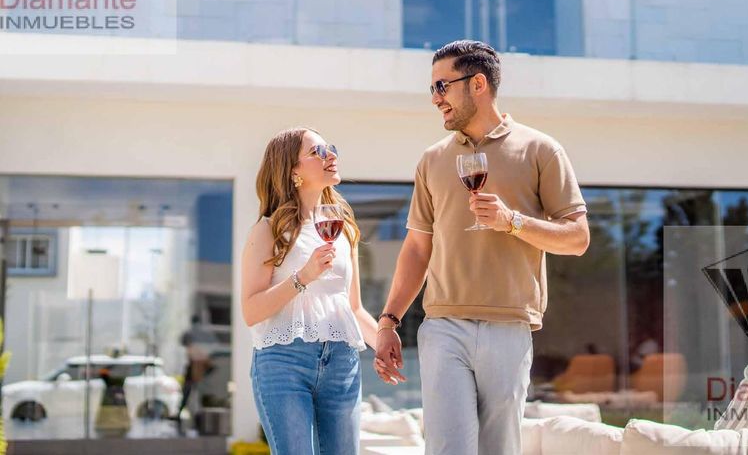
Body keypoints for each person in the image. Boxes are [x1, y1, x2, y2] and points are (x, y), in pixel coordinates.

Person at [374, 40, 590, 455]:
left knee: (498, 448)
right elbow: (417, 247)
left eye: (442, 86)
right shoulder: (432, 160)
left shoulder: (541, 150)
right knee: (447, 448)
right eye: (432, 88)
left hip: (509, 325)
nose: (435, 98)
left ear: (477, 84)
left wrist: (513, 222)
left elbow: (578, 238)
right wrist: (389, 321)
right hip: (444, 325)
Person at [242, 128, 378, 455]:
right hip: (284, 363)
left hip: (342, 362)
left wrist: (385, 341)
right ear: (293, 171)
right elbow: (251, 311)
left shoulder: (344, 229)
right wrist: (303, 277)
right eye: (318, 152)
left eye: (330, 148)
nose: (331, 156)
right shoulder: (268, 230)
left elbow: (353, 308)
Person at [175, 314, 216, 425]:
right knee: (192, 394)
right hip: (198, 368)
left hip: (197, 368)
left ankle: (195, 418)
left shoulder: (194, 336)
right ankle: (192, 417)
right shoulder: (201, 334)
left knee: (192, 393)